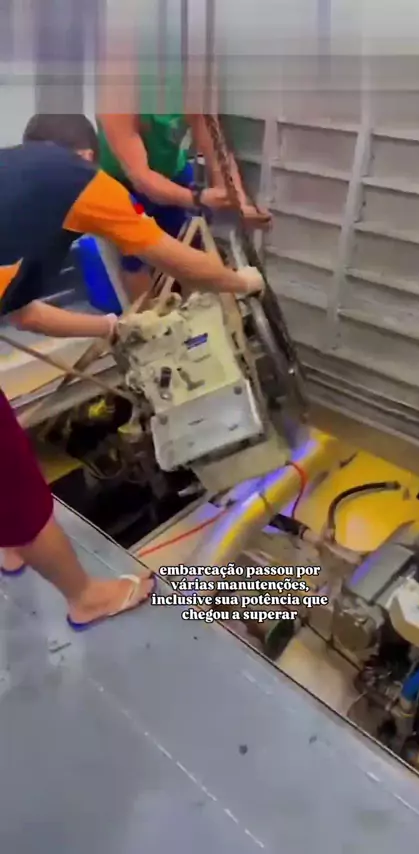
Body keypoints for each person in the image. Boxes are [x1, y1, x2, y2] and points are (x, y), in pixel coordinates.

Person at [0, 113, 264, 631]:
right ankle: (85, 597)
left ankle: (11, 543)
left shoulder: (13, 178)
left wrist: (111, 327)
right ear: (89, 155)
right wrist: (242, 283)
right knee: (18, 487)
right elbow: (177, 259)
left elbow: (24, 313)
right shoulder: (80, 178)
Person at [96, 112, 272, 299]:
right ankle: (149, 313)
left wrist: (240, 202)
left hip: (172, 169)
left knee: (193, 244)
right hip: (124, 180)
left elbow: (216, 151)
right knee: (137, 255)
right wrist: (198, 198)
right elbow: (142, 180)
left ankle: (191, 306)